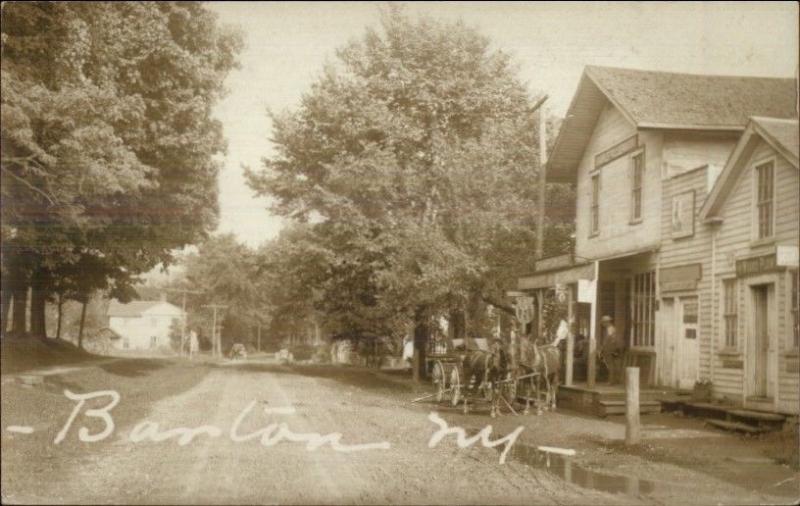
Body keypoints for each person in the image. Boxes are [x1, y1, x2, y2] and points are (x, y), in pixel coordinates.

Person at [600, 315, 624, 385]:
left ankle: (612, 381)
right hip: (613, 348)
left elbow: (609, 339)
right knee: (614, 365)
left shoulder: (609, 329)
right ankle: (615, 380)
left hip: (611, 349)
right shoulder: (612, 329)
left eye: (604, 322)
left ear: (607, 322)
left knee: (611, 365)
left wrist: (603, 347)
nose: (603, 324)